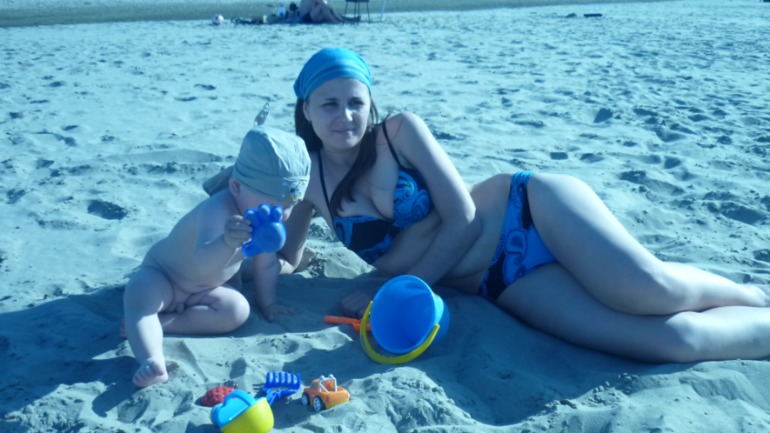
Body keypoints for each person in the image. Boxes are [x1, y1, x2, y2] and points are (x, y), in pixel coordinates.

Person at [280, 47, 770, 363]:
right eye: (329, 104)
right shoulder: (308, 179)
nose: (345, 116)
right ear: (306, 109)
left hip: (531, 210)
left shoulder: (399, 132)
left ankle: (754, 294)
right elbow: (288, 256)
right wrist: (252, 241)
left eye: (356, 102)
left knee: (652, 290)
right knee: (673, 343)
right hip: (501, 283)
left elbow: (465, 220)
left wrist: (391, 289)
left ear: (370, 103)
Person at [124, 127, 311, 387]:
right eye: (272, 206)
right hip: (165, 276)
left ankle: (165, 323)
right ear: (235, 187)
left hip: (206, 289)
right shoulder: (217, 209)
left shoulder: (265, 222)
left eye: (289, 207)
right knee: (141, 294)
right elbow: (203, 261)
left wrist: (268, 302)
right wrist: (227, 242)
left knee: (237, 311)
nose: (280, 216)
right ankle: (152, 361)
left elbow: (266, 265)